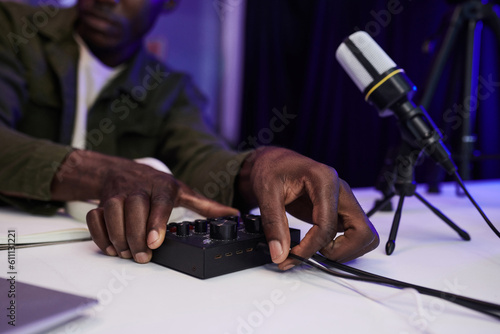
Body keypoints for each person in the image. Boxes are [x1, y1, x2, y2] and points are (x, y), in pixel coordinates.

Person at [0, 0, 379, 270]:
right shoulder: (13, 26)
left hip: (104, 266)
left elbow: (203, 160)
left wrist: (263, 165)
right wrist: (109, 173)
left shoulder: (169, 89)